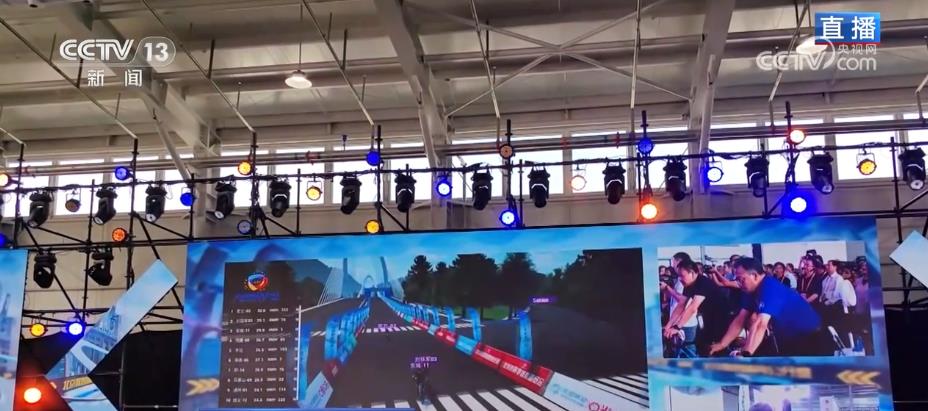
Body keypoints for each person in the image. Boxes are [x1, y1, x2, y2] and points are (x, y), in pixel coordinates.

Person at [710, 257, 823, 357]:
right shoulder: (750, 289)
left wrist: (746, 353)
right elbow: (740, 319)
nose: (739, 283)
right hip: (787, 337)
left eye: (741, 279)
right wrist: (722, 344)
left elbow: (760, 324)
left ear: (754, 276)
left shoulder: (770, 287)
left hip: (809, 337)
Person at [663, 260, 730, 357]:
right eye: (678, 276)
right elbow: (682, 304)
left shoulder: (703, 283)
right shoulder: (688, 284)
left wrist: (677, 327)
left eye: (682, 276)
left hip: (720, 322)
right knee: (701, 347)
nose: (680, 279)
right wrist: (668, 326)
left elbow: (693, 307)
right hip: (705, 320)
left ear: (692, 273)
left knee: (715, 352)